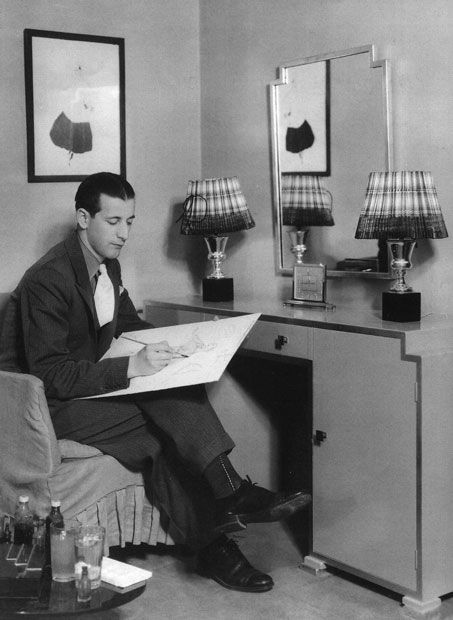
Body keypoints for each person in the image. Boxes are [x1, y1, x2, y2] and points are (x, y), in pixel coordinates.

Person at [1, 172, 310, 593]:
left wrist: (170, 346)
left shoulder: (106, 263)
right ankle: (229, 497)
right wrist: (131, 368)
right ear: (82, 217)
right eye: (113, 222)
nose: (124, 233)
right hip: (42, 406)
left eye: (130, 221)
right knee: (161, 421)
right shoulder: (48, 278)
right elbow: (51, 373)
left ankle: (214, 538)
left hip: (86, 388)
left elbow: (125, 322)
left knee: (166, 415)